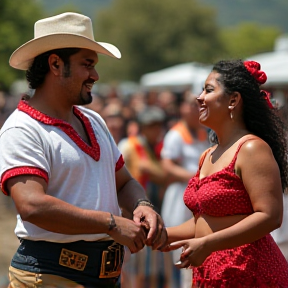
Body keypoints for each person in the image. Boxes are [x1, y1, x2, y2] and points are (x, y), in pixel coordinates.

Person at [0, 12, 166, 288]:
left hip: (103, 277)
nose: (95, 75)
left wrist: (142, 205)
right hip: (49, 277)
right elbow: (32, 205)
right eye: (87, 64)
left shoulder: (93, 121)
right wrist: (111, 223)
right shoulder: (22, 128)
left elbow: (124, 182)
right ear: (55, 64)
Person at [161, 59, 288, 287]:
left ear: (233, 100)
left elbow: (270, 216)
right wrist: (163, 234)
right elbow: (204, 221)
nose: (199, 97)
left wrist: (208, 244)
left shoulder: (251, 148)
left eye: (208, 90)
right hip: (211, 272)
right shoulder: (207, 155)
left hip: (249, 271)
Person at [160, 92, 210, 288]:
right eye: (190, 105)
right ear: (181, 108)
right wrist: (194, 177)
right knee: (181, 247)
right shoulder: (175, 134)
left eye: (198, 104)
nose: (195, 109)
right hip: (181, 196)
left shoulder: (204, 132)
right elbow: (167, 165)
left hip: (201, 195)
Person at [118, 106, 168, 288]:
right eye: (152, 126)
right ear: (143, 127)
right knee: (130, 266)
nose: (157, 130)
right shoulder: (129, 145)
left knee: (147, 267)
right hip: (130, 212)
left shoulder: (155, 147)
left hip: (151, 209)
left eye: (158, 126)